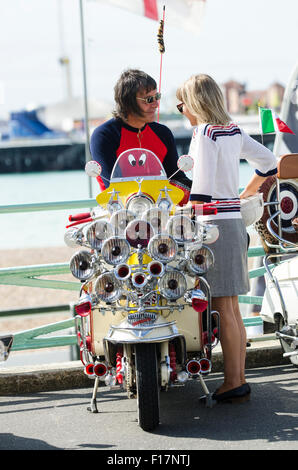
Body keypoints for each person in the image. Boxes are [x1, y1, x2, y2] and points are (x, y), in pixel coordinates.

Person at [176, 74, 277, 403]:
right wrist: (244, 193)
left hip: (212, 224)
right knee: (231, 306)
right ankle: (238, 378)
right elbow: (268, 162)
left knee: (222, 306)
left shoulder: (204, 133)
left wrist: (184, 214)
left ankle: (233, 381)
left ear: (193, 102)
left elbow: (200, 189)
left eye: (182, 105)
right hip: (234, 221)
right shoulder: (233, 130)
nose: (182, 111)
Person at [90, 68, 190, 200]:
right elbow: (111, 187)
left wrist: (203, 192)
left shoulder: (163, 133)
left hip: (162, 209)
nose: (156, 104)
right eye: (149, 100)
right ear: (128, 102)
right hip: (119, 213)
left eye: (157, 97)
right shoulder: (104, 135)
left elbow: (176, 177)